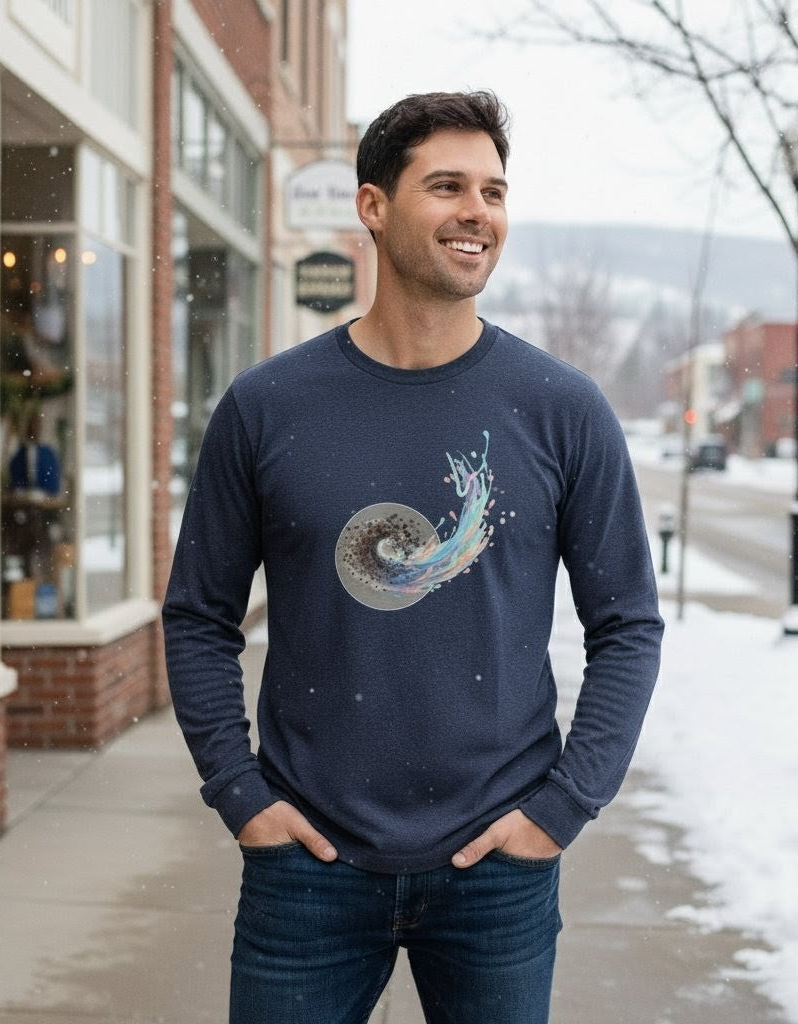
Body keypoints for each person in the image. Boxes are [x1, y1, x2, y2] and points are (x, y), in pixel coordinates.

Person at [163, 90, 664, 1024]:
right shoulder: (268, 406)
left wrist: (563, 809)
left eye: (495, 191)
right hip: (305, 869)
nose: (479, 211)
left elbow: (628, 625)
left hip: (497, 876)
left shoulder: (562, 409)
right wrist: (240, 795)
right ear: (373, 206)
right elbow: (199, 615)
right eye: (447, 186)